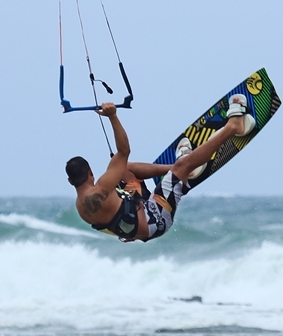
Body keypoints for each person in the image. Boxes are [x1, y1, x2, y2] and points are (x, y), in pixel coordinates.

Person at [66, 96, 255, 242]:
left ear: (71, 181)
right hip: (156, 219)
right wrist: (113, 116)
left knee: (125, 169)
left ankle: (174, 171)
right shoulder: (103, 187)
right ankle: (232, 127)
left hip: (142, 219)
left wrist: (130, 199)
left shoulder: (80, 209)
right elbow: (124, 151)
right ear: (90, 172)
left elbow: (117, 225)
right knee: (182, 165)